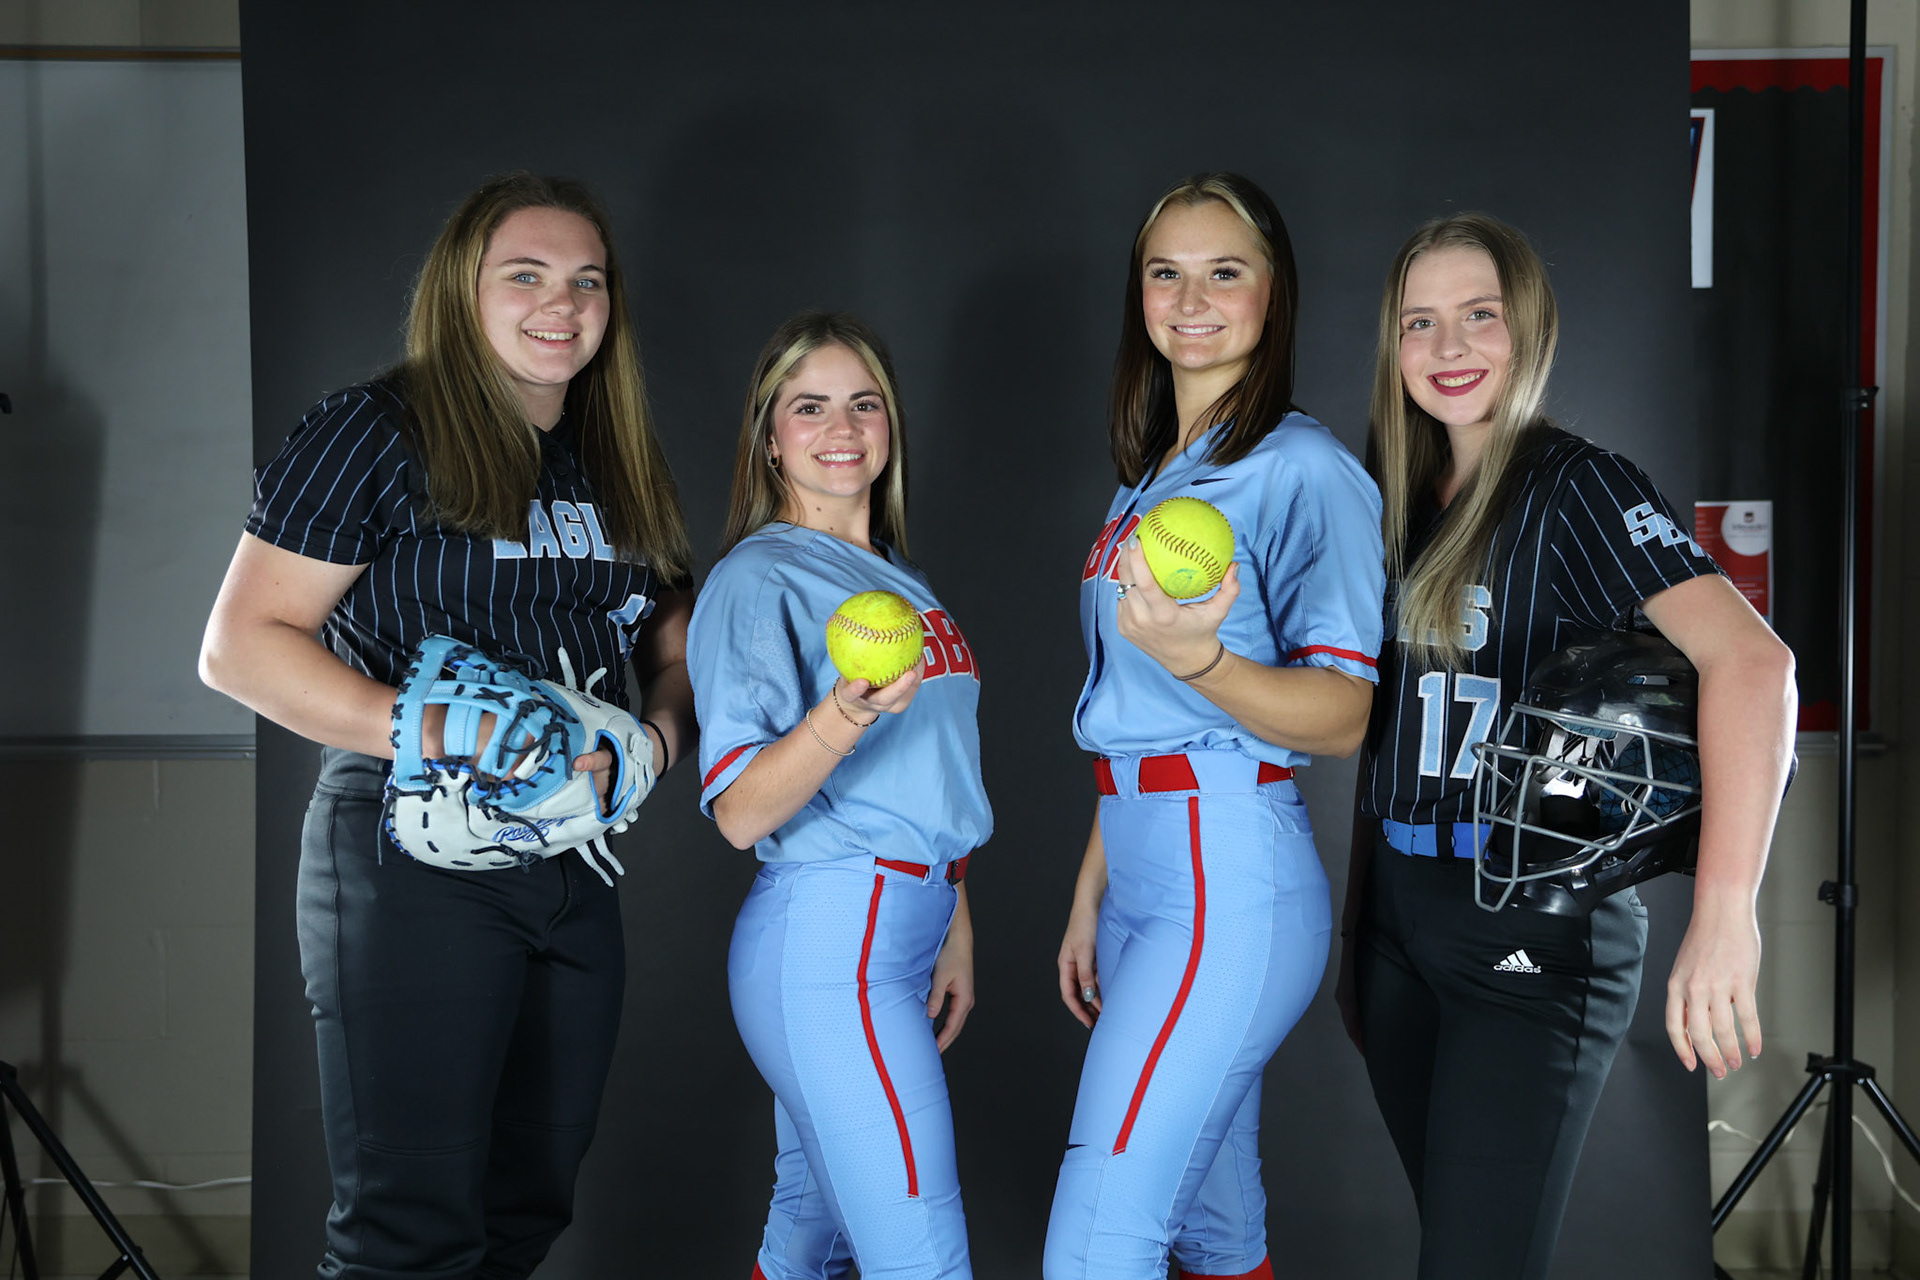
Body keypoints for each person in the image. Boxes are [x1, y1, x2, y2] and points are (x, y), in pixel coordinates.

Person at [198, 173, 696, 1279]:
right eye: (524, 275)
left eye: (586, 280)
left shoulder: (609, 458)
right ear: (461, 293)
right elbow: (239, 643)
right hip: (409, 853)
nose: (558, 303)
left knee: (526, 1205)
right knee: (407, 1230)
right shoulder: (375, 428)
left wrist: (652, 744)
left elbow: (675, 641)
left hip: (573, 859)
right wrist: (428, 723)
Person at [1339, 212, 1796, 1280]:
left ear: (1528, 329)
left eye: (1478, 316)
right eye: (1420, 323)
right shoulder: (1394, 492)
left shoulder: (1580, 484)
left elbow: (1755, 666)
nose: (1448, 348)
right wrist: (1365, 922)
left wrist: (1727, 913)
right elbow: (1390, 726)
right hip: (1400, 917)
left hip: (1532, 935)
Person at [1045, 172, 1385, 1280]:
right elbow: (1135, 719)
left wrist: (1205, 657)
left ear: (1273, 293)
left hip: (1226, 873)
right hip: (1143, 867)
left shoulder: (1307, 468)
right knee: (1216, 1232)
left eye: (1224, 271)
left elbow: (1343, 714)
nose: (1191, 299)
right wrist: (1095, 887)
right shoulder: (1152, 477)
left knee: (1100, 1247)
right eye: (1166, 272)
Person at [688, 312, 986, 1280]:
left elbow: (930, 775)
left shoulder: (903, 580)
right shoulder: (756, 575)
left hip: (906, 921)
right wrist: (844, 713)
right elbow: (738, 809)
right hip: (832, 937)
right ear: (770, 437)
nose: (842, 425)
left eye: (864, 403)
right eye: (809, 406)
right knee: (923, 1258)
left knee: (806, 1235)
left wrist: (957, 915)